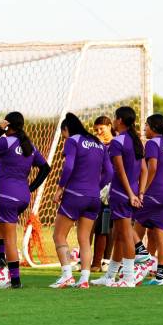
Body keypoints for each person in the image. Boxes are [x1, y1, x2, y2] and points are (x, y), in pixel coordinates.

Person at [0, 111, 50, 289]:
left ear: (8, 125)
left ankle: (15, 280)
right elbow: (46, 168)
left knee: (9, 237)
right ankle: (0, 256)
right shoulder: (29, 146)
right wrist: (31, 188)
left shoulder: (5, 141)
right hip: (22, 197)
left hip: (6, 196)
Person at [50, 113, 113, 289]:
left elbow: (68, 166)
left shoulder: (73, 141)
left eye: (63, 134)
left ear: (66, 129)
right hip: (94, 197)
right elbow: (109, 172)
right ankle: (84, 279)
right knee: (84, 238)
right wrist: (96, 187)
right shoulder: (99, 143)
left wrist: (60, 188)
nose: (64, 138)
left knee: (59, 235)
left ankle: (67, 276)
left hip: (74, 195)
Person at [92, 106, 145, 288]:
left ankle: (129, 277)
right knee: (119, 235)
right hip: (131, 192)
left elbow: (120, 172)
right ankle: (110, 276)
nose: (113, 121)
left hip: (122, 193)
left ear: (120, 120)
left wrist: (130, 194)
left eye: (115, 118)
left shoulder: (117, 142)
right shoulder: (135, 140)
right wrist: (139, 192)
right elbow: (143, 170)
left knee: (124, 236)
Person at [132, 114, 163, 286]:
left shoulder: (152, 143)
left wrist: (142, 190)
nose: (144, 128)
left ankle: (142, 260)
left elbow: (153, 168)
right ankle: (160, 278)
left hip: (154, 194)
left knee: (126, 225)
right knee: (161, 235)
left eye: (147, 125)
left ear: (154, 127)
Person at [91, 115, 115, 271]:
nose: (99, 132)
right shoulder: (95, 145)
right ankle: (91, 261)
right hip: (94, 188)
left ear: (110, 126)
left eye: (102, 128)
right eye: (97, 129)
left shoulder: (116, 144)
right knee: (91, 225)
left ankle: (105, 260)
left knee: (106, 226)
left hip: (111, 189)